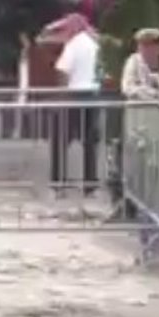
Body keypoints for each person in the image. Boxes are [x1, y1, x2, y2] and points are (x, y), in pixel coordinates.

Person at [41, 12, 102, 192]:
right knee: (90, 142)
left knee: (60, 141)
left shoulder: (73, 45)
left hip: (74, 95)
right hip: (93, 95)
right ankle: (90, 183)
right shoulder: (94, 44)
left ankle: (58, 180)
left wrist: (61, 94)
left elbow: (63, 70)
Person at [120, 28, 159, 101]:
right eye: (143, 45)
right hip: (139, 108)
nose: (146, 49)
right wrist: (152, 93)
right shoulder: (133, 61)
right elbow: (127, 88)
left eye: (151, 45)